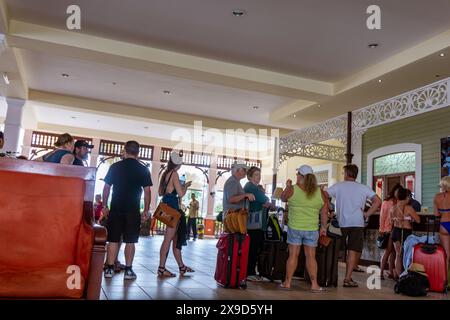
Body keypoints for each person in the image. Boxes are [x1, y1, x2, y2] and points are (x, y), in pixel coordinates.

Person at [102, 141, 152, 280]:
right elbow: (147, 191)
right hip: (133, 210)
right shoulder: (143, 169)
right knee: (130, 241)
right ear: (138, 152)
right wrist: (146, 210)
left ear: (125, 150)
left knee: (113, 239)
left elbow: (106, 187)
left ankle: (109, 269)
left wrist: (105, 206)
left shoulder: (115, 166)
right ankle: (128, 271)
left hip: (116, 208)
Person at [325, 164, 381, 288]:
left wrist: (329, 207)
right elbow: (378, 201)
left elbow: (323, 194)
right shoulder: (363, 188)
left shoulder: (339, 186)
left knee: (335, 250)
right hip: (357, 222)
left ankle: (330, 276)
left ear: (346, 173)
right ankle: (347, 278)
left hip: (341, 223)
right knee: (353, 251)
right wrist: (367, 214)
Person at [279, 165, 328, 292]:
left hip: (295, 227)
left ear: (301, 176)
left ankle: (288, 283)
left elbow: (283, 198)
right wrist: (323, 227)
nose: (296, 176)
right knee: (311, 256)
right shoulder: (320, 192)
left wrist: (288, 185)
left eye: (297, 174)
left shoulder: (293, 189)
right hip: (312, 229)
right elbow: (324, 211)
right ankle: (314, 285)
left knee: (293, 255)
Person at [157, 151, 193, 277]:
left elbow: (161, 192)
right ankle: (161, 268)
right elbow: (181, 194)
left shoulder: (166, 173)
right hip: (173, 208)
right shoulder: (174, 174)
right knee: (168, 240)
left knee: (170, 239)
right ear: (178, 164)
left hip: (166, 206)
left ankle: (180, 266)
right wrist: (186, 186)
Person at [244, 166, 273, 282]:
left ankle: (251, 271)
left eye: (259, 175)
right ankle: (249, 272)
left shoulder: (253, 187)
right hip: (254, 223)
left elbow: (264, 200)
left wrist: (265, 202)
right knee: (253, 248)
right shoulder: (251, 186)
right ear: (250, 176)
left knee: (254, 247)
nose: (258, 177)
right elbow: (264, 198)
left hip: (255, 223)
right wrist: (266, 201)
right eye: (256, 175)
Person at [390, 187, 420, 279]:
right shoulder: (408, 208)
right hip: (405, 232)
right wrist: (409, 219)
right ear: (406, 197)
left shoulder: (393, 208)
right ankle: (405, 276)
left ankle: (400, 277)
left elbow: (391, 222)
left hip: (395, 231)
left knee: (398, 254)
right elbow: (418, 220)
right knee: (407, 255)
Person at [379, 183, 402, 280]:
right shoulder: (389, 202)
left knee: (393, 252)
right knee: (389, 251)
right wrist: (382, 229)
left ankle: (390, 271)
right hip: (389, 229)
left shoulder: (395, 202)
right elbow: (383, 216)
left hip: (393, 229)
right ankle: (381, 273)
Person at [434, 176, 450, 272]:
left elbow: (436, 214)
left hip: (443, 225)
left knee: (446, 254)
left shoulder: (437, 197)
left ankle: (445, 281)